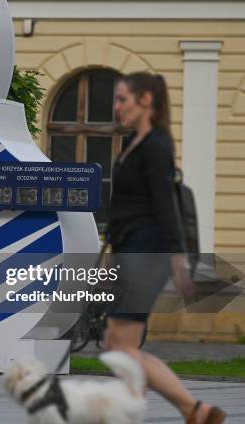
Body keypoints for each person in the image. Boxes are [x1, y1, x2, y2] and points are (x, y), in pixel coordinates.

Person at [104, 72, 225, 424]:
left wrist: (178, 261)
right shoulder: (134, 143)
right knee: (118, 344)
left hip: (147, 252)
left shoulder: (156, 146)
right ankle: (189, 410)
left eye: (123, 99)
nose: (117, 107)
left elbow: (165, 208)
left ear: (146, 101)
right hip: (131, 250)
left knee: (122, 347)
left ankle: (191, 409)